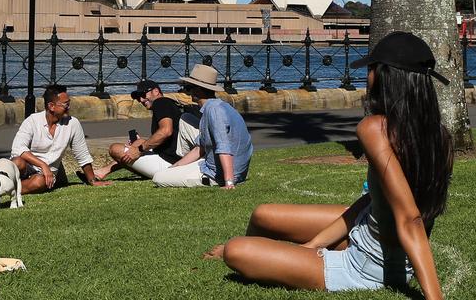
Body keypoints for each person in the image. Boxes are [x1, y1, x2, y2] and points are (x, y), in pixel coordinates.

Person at [209, 31, 453, 298]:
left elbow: (410, 218)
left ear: (385, 76)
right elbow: (376, 198)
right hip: (368, 231)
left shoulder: (374, 129)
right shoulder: (441, 137)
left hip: (366, 266)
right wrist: (313, 246)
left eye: (371, 69)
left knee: (236, 250)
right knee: (262, 215)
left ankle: (273, 254)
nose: (367, 77)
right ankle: (292, 253)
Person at [151, 65, 253, 189]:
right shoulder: (216, 107)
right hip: (218, 167)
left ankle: (223, 178)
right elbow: (199, 148)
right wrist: (174, 167)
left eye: (189, 88)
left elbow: (224, 146)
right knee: (167, 172)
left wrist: (229, 182)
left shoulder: (213, 111)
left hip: (216, 174)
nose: (187, 92)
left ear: (198, 90)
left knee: (158, 178)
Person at [10, 84, 111, 194]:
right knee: (17, 162)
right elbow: (18, 148)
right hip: (29, 166)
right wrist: (42, 165)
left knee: (39, 182)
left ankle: (9, 189)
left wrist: (92, 180)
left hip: (46, 175)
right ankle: (6, 184)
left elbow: (82, 155)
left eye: (69, 104)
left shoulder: (73, 124)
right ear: (51, 106)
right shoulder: (32, 121)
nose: (69, 108)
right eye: (65, 105)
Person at [93, 80, 199, 180]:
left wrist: (139, 150)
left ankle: (102, 172)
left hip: (171, 162)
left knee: (115, 149)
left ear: (156, 91)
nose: (141, 100)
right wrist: (139, 145)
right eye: (138, 98)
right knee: (138, 142)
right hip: (180, 156)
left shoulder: (160, 102)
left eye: (143, 95)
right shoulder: (172, 104)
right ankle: (102, 172)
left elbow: (166, 131)